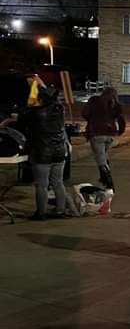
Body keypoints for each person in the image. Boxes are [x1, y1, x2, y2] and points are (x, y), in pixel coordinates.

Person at [23, 75, 68, 221]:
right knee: (58, 182)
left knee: (42, 184)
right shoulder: (59, 109)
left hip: (42, 152)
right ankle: (60, 210)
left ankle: (41, 213)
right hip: (59, 151)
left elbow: (25, 121)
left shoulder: (37, 112)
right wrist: (40, 83)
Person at [82, 87, 125, 190]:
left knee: (100, 157)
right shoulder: (116, 104)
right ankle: (104, 177)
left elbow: (85, 114)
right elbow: (121, 119)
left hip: (97, 132)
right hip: (110, 133)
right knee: (103, 154)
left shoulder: (94, 101)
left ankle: (108, 180)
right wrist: (120, 131)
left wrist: (92, 119)